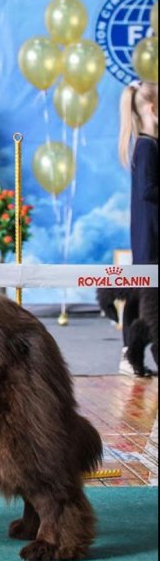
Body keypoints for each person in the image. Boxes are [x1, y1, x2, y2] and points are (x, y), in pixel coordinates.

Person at [117, 79, 158, 376]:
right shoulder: (146, 147)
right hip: (151, 241)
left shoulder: (148, 145)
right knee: (150, 304)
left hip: (150, 239)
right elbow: (148, 189)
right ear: (153, 109)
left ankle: (133, 353)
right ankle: (132, 353)